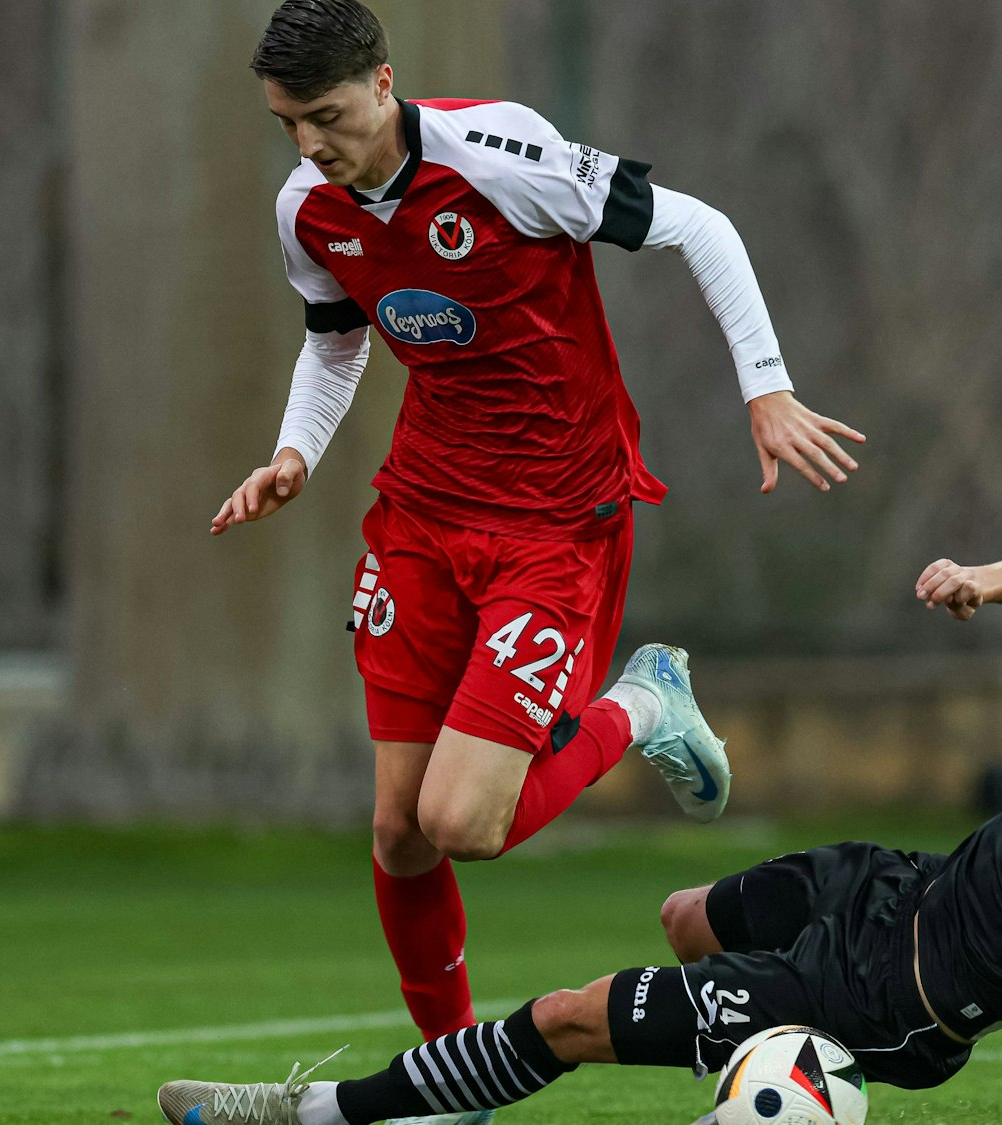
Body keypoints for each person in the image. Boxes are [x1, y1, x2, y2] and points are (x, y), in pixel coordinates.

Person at [209, 0, 868, 1089]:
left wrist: (766, 387)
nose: (309, 146)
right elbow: (334, 341)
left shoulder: (499, 151)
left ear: (382, 84)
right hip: (421, 513)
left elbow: (698, 225)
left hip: (555, 522)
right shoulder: (305, 208)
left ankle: (642, 703)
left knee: (462, 822)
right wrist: (296, 455)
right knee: (397, 832)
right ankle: (450, 1076)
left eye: (325, 116)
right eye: (287, 124)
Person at [157, 553, 1002, 1125]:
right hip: (895, 886)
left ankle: (315, 1112)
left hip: (893, 1002)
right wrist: (985, 580)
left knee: (561, 1017)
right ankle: (740, 1053)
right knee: (685, 916)